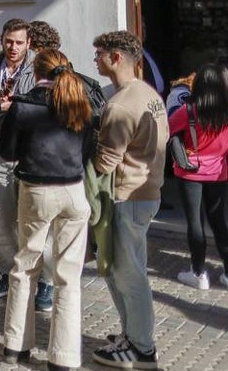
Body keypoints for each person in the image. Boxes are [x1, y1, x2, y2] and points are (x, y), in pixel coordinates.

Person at [0, 49, 94, 371]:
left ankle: (16, 344)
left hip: (37, 189)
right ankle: (64, 357)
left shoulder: (24, 105)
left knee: (26, 265)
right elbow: (89, 150)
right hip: (73, 190)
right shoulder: (80, 102)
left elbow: (7, 150)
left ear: (35, 70)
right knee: (68, 276)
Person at [90, 30, 168, 370]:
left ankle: (141, 347)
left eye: (99, 54)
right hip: (145, 192)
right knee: (124, 271)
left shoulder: (120, 104)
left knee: (128, 274)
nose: (96, 59)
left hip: (128, 196)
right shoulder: (147, 93)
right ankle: (132, 334)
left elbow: (106, 159)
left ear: (116, 57)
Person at [0, 18, 52, 308]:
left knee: (36, 223)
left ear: (28, 43)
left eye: (19, 42)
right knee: (0, 221)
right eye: (9, 41)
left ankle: (45, 282)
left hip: (30, 155)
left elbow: (47, 104)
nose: (13, 47)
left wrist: (17, 104)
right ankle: (7, 272)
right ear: (2, 39)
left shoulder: (39, 67)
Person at [169, 62, 228, 289]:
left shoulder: (189, 110)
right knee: (219, 222)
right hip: (220, 173)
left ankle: (199, 273)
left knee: (195, 222)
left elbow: (168, 129)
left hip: (189, 172)